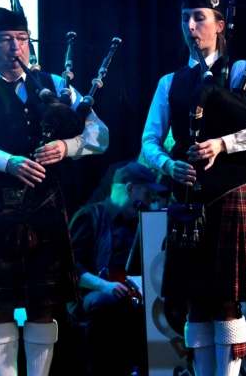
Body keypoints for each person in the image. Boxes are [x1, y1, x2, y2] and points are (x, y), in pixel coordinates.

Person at [0, 6, 109, 376]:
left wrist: (68, 147)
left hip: (43, 202)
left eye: (21, 39)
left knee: (43, 300)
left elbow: (99, 133)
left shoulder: (55, 85)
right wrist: (7, 161)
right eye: (4, 40)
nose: (15, 47)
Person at [141, 0, 246, 376]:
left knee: (226, 300)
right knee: (194, 301)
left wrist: (224, 143)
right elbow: (149, 142)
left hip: (230, 194)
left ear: (220, 25)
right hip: (187, 199)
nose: (191, 26)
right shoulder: (170, 82)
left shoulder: (240, 72)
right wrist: (168, 166)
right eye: (185, 17)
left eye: (200, 17)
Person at [68, 161, 164, 376]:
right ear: (130, 190)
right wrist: (104, 286)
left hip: (134, 292)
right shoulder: (89, 216)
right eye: (148, 194)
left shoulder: (141, 221)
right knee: (106, 302)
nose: (150, 201)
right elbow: (70, 265)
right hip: (95, 291)